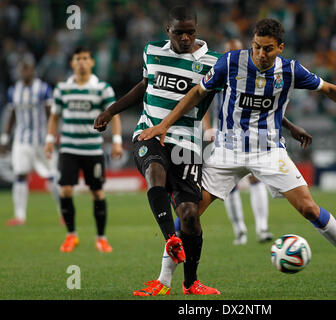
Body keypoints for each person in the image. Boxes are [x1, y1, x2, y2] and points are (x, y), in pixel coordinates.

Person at [139, 18, 336, 293]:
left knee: (309, 208)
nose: (261, 54)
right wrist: (164, 124)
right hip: (227, 150)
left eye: (268, 49)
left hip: (269, 151)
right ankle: (165, 280)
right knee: (189, 212)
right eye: (257, 47)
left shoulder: (292, 71)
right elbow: (197, 93)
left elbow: (329, 89)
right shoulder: (230, 63)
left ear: (280, 48)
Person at [94, 8, 311, 296]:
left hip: (188, 143)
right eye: (178, 32)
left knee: (189, 215)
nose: (185, 37)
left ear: (197, 30)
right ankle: (171, 239)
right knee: (154, 172)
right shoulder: (151, 52)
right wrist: (110, 112)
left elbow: (249, 99)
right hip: (150, 132)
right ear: (166, 29)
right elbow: (144, 86)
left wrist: (289, 125)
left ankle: (190, 283)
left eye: (190, 32)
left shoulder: (214, 62)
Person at [44, 47, 123, 253]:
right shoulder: (62, 88)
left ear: (92, 62)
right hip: (69, 148)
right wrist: (50, 139)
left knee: (97, 192)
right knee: (66, 189)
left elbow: (113, 115)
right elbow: (55, 117)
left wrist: (116, 141)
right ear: (72, 63)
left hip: (92, 149)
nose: (81, 62)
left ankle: (101, 238)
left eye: (85, 58)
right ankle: (71, 235)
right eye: (77, 58)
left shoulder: (102, 88)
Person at [201, 38, 274, 245]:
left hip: (252, 133)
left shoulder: (253, 74)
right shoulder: (220, 71)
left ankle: (262, 228)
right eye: (229, 51)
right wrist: (209, 129)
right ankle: (240, 230)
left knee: (255, 178)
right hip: (224, 134)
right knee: (228, 185)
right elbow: (203, 102)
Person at [0, 57, 61, 226]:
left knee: (52, 176)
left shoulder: (43, 88)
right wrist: (5, 138)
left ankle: (63, 212)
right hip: (21, 140)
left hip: (42, 140)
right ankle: (20, 216)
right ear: (20, 71)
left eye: (28, 68)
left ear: (33, 70)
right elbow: (11, 115)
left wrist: (52, 136)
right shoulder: (14, 90)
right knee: (19, 174)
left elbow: (51, 113)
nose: (25, 71)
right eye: (23, 69)